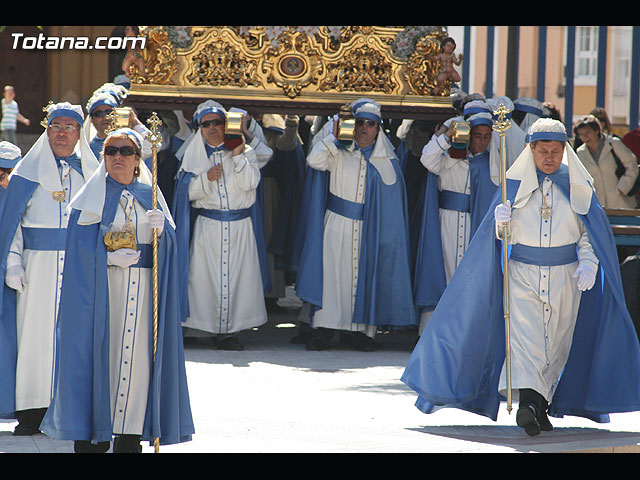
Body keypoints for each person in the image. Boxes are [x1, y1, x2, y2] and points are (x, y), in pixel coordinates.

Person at [402, 118, 640, 436]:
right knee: (527, 343)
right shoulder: (512, 184)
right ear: (531, 149)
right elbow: (500, 238)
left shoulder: (579, 185)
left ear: (565, 150)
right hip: (523, 276)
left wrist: (588, 262)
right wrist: (500, 223)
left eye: (556, 151)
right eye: (543, 150)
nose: (550, 157)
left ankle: (538, 406)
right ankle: (529, 404)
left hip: (566, 278)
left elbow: (590, 233)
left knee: (556, 345)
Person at [39, 128, 194, 453]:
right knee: (101, 361)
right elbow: (79, 251)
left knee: (138, 365)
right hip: (102, 298)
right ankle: (94, 434)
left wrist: (162, 233)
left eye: (126, 151)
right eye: (111, 152)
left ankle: (130, 435)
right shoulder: (90, 200)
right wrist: (106, 257)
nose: (118, 157)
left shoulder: (148, 196)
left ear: (138, 160)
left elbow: (170, 256)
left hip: (141, 302)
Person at [0, 102, 99, 435]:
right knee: (34, 338)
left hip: (78, 269)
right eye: (56, 126)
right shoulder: (27, 172)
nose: (62, 133)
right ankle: (31, 409)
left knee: (74, 338)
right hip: (36, 268)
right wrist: (12, 261)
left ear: (79, 132)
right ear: (47, 130)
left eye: (70, 127)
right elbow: (13, 221)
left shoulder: (93, 173)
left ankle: (70, 409)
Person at [295, 100, 416, 351]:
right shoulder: (337, 151)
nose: (364, 129)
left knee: (364, 276)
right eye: (359, 122)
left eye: (370, 124)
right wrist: (334, 135)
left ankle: (362, 333)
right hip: (336, 223)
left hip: (368, 230)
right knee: (332, 275)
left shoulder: (387, 161)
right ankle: (325, 329)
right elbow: (314, 161)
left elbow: (392, 206)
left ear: (378, 129)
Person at [172, 100, 272, 351]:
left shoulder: (245, 151)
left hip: (240, 226)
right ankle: (199, 327)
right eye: (207, 124)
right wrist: (206, 179)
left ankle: (228, 332)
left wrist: (238, 156)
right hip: (209, 226)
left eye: (218, 122)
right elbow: (186, 194)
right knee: (204, 280)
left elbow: (251, 184)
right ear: (200, 128)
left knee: (238, 278)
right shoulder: (192, 156)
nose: (213, 127)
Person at [412, 108, 497, 334]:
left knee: (468, 278)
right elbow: (427, 158)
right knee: (444, 272)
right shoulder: (448, 158)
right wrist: (447, 136)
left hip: (474, 224)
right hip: (446, 222)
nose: (481, 141)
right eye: (477, 136)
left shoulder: (492, 164)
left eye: (486, 137)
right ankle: (434, 332)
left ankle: (463, 333)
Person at [574, 114, 638, 209]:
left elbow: (632, 165)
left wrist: (622, 187)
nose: (585, 136)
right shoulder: (580, 153)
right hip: (598, 205)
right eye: (581, 134)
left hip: (621, 202)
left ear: (596, 131)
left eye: (588, 132)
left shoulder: (613, 144)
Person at [85, 93, 120, 159]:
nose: (104, 117)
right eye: (98, 114)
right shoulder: (88, 149)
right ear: (91, 120)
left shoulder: (127, 142)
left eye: (109, 112)